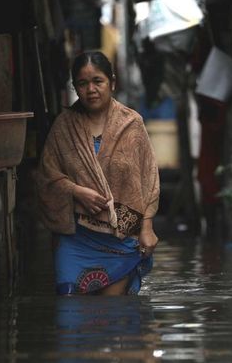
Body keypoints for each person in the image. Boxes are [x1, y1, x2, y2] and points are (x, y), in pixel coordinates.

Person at [36, 51, 160, 296]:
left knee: (110, 316)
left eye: (98, 81)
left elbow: (149, 179)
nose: (91, 89)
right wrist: (76, 191)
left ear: (112, 83)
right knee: (69, 307)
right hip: (75, 238)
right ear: (75, 87)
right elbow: (46, 177)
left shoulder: (131, 123)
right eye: (82, 83)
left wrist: (147, 227)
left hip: (119, 240)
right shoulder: (64, 126)